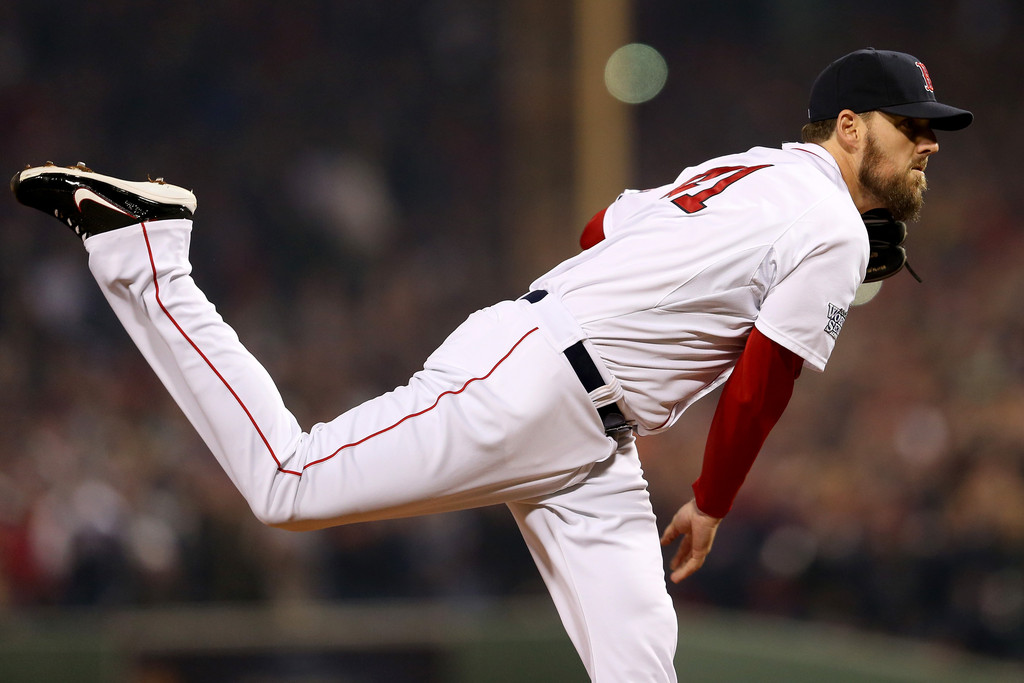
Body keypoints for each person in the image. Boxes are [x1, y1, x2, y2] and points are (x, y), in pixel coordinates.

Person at [11, 48, 971, 681]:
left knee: (640, 665)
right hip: (538, 385)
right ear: (848, 125)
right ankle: (149, 255)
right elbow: (763, 382)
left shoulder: (749, 171)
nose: (928, 139)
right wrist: (713, 499)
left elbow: (603, 227)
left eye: (932, 127)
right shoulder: (835, 229)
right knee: (286, 482)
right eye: (909, 122)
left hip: (593, 436)